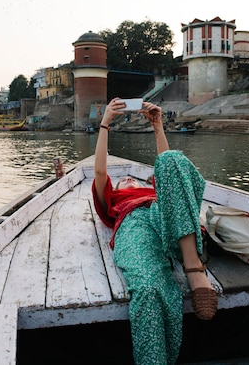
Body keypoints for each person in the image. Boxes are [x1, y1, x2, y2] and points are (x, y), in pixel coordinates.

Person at [92, 98, 216, 365]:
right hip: (135, 224)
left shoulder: (153, 190)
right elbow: (101, 171)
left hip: (168, 217)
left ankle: (193, 267)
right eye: (123, 180)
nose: (129, 179)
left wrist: (158, 126)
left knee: (170, 160)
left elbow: (166, 169)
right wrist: (105, 123)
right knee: (148, 289)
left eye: (132, 178)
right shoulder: (115, 200)